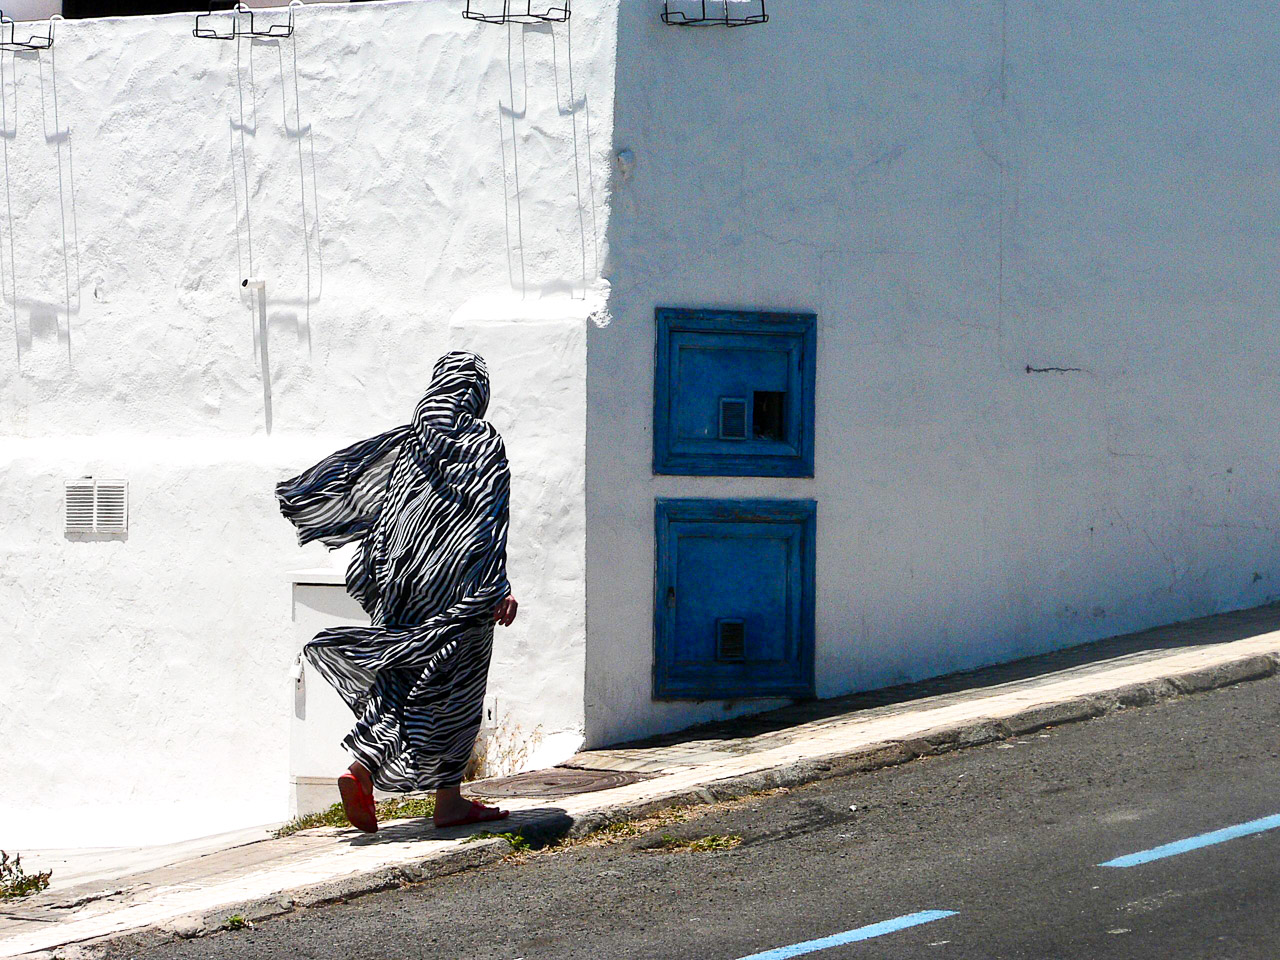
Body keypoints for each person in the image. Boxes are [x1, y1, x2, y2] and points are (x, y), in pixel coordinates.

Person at [276, 351, 518, 833]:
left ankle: (360, 768)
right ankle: (448, 799)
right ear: (476, 392)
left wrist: (380, 578)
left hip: (402, 577)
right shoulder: (482, 441)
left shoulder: (410, 444)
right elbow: (486, 520)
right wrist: (496, 587)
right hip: (456, 585)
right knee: (454, 689)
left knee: (400, 681)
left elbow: (389, 512)